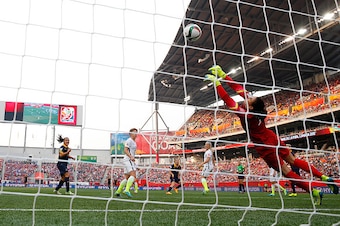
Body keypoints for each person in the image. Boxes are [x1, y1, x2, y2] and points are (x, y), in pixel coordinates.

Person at [204, 65, 338, 205]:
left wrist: (217, 84)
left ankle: (314, 191)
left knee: (286, 171)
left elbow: (228, 100)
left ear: (251, 107)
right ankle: (323, 177)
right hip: (272, 137)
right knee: (293, 160)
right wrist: (223, 74)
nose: (246, 98)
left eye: (249, 100)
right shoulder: (257, 110)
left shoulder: (247, 115)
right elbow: (239, 89)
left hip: (265, 146)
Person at [114, 128, 138, 198]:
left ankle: (118, 191)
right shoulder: (129, 140)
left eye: (136, 132)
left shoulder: (134, 142)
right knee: (133, 175)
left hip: (128, 160)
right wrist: (131, 157)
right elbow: (125, 150)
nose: (135, 134)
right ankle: (127, 190)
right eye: (134, 132)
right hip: (128, 159)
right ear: (130, 134)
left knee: (127, 178)